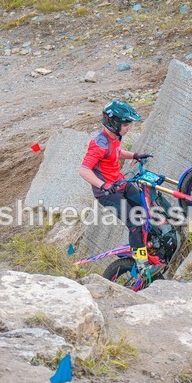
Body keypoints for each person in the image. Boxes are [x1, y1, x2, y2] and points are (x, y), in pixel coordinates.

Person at [78, 100, 154, 275]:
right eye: (126, 125)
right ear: (113, 124)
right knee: (135, 223)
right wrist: (103, 185)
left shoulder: (115, 137)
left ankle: (149, 245)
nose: (129, 128)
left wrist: (134, 155)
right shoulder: (99, 144)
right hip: (107, 194)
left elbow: (116, 153)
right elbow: (84, 170)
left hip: (120, 184)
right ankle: (141, 262)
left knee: (148, 208)